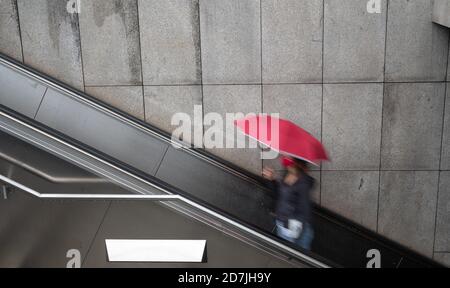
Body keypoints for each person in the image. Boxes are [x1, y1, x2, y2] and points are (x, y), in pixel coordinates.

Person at [262, 155, 315, 250]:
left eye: (287, 157)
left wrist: (291, 226)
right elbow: (280, 195)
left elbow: (304, 208)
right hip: (283, 225)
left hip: (294, 229)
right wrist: (271, 180)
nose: (283, 159)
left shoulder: (303, 183)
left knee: (296, 258)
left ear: (296, 161)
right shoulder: (287, 174)